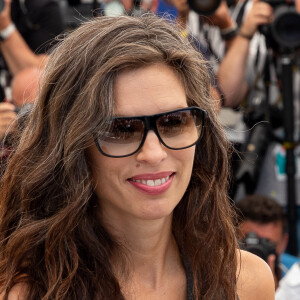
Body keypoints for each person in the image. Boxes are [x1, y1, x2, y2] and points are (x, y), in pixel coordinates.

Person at [0, 14, 274, 299]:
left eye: (174, 122)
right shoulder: (24, 293)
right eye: (121, 129)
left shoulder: (246, 282)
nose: (154, 154)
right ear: (70, 145)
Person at [235, 194, 300, 288]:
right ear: (230, 240)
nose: (257, 253)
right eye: (249, 242)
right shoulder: (216, 273)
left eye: (267, 243)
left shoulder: (296, 275)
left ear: (284, 243)